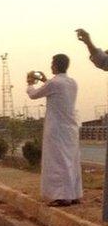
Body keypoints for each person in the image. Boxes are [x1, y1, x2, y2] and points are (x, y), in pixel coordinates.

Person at [26, 54, 82, 206]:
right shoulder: (72, 83)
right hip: (70, 128)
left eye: (52, 63)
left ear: (56, 65)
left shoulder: (54, 83)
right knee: (71, 161)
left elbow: (34, 94)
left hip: (57, 129)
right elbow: (55, 90)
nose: (51, 66)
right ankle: (74, 194)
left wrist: (30, 83)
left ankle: (61, 196)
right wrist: (46, 81)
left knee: (58, 162)